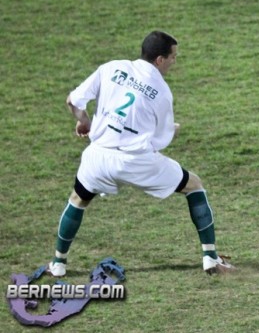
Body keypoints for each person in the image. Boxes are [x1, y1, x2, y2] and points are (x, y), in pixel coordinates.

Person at [47, 31, 234, 276]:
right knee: (194, 185)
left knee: (78, 199)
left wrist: (85, 122)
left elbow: (72, 101)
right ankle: (210, 258)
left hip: (98, 157)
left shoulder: (111, 68)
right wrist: (174, 129)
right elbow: (159, 141)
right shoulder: (162, 91)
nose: (174, 61)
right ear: (159, 60)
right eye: (173, 57)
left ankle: (58, 264)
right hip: (136, 162)